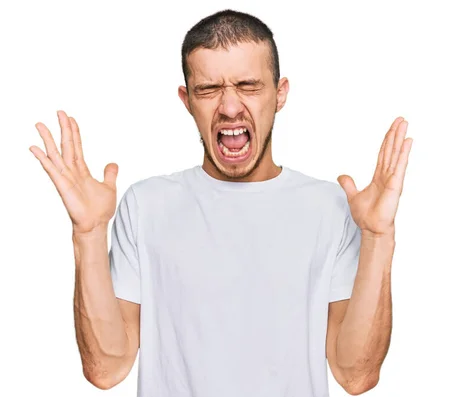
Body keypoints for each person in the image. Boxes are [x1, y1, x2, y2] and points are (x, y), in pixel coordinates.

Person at [29, 9, 412, 397]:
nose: (229, 107)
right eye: (209, 89)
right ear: (187, 99)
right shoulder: (146, 206)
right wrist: (89, 233)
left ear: (280, 94)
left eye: (248, 85)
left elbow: (356, 375)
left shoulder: (328, 207)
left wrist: (379, 237)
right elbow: (106, 368)